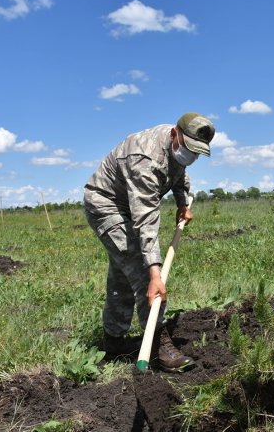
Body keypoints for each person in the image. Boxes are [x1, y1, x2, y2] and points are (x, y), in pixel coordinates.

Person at [84, 113, 215, 370]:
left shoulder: (177, 148)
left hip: (128, 203)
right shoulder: (145, 158)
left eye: (196, 153)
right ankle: (157, 343)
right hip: (106, 205)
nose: (190, 156)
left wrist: (182, 203)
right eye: (188, 149)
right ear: (175, 134)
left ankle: (113, 340)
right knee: (143, 270)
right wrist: (155, 274)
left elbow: (179, 173)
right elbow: (146, 220)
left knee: (123, 273)